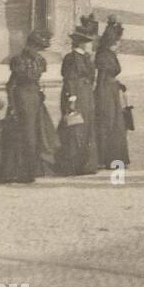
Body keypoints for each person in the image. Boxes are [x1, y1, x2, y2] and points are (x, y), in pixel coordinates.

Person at [0, 30, 58, 184]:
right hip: (26, 98)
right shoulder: (29, 60)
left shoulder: (27, 59)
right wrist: (13, 103)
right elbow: (13, 84)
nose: (37, 51)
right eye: (37, 47)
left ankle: (27, 169)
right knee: (29, 133)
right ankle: (27, 170)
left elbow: (12, 84)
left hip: (29, 97)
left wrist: (13, 103)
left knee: (31, 132)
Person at [57, 28, 99, 176]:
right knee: (75, 127)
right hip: (76, 94)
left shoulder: (86, 57)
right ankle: (71, 165)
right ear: (80, 44)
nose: (89, 45)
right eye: (87, 43)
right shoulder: (71, 58)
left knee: (86, 126)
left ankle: (86, 164)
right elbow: (69, 78)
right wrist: (72, 98)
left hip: (86, 94)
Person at [94, 21, 129, 170]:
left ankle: (116, 158)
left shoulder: (108, 54)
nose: (118, 44)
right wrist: (101, 95)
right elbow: (101, 77)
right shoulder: (103, 56)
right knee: (109, 123)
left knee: (117, 124)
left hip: (112, 90)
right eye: (117, 42)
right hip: (106, 92)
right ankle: (107, 158)